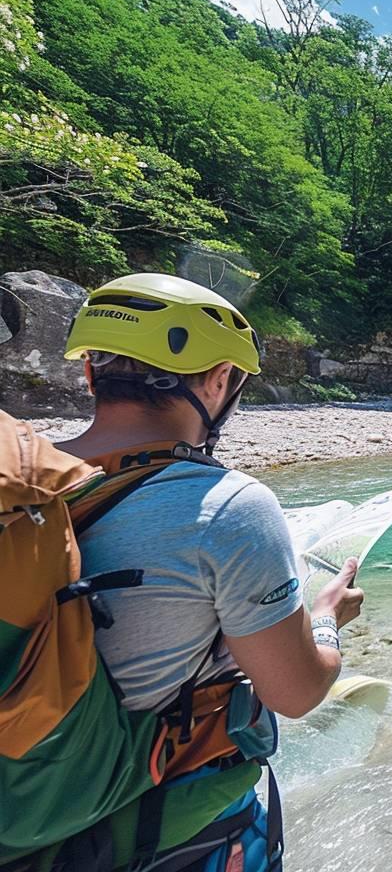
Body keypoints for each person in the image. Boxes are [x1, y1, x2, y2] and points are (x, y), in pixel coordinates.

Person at [55, 273, 365, 871]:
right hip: (163, 829)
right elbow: (296, 693)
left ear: (90, 371)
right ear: (220, 379)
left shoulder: (24, 486)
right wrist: (324, 621)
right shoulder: (231, 507)